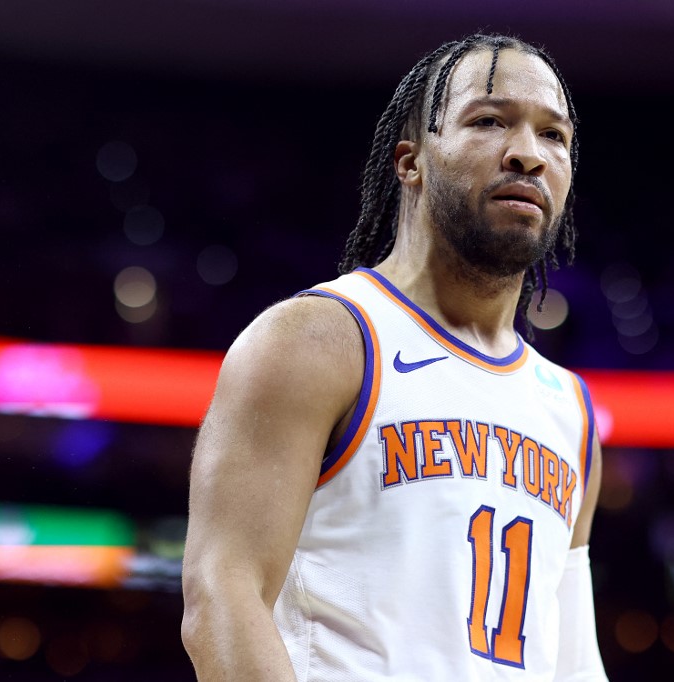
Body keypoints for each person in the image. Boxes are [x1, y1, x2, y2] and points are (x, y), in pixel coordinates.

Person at [181, 34, 608, 681]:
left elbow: (573, 662)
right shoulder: (319, 340)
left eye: (555, 136)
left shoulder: (570, 411)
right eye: (489, 120)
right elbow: (222, 597)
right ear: (409, 162)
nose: (527, 153)